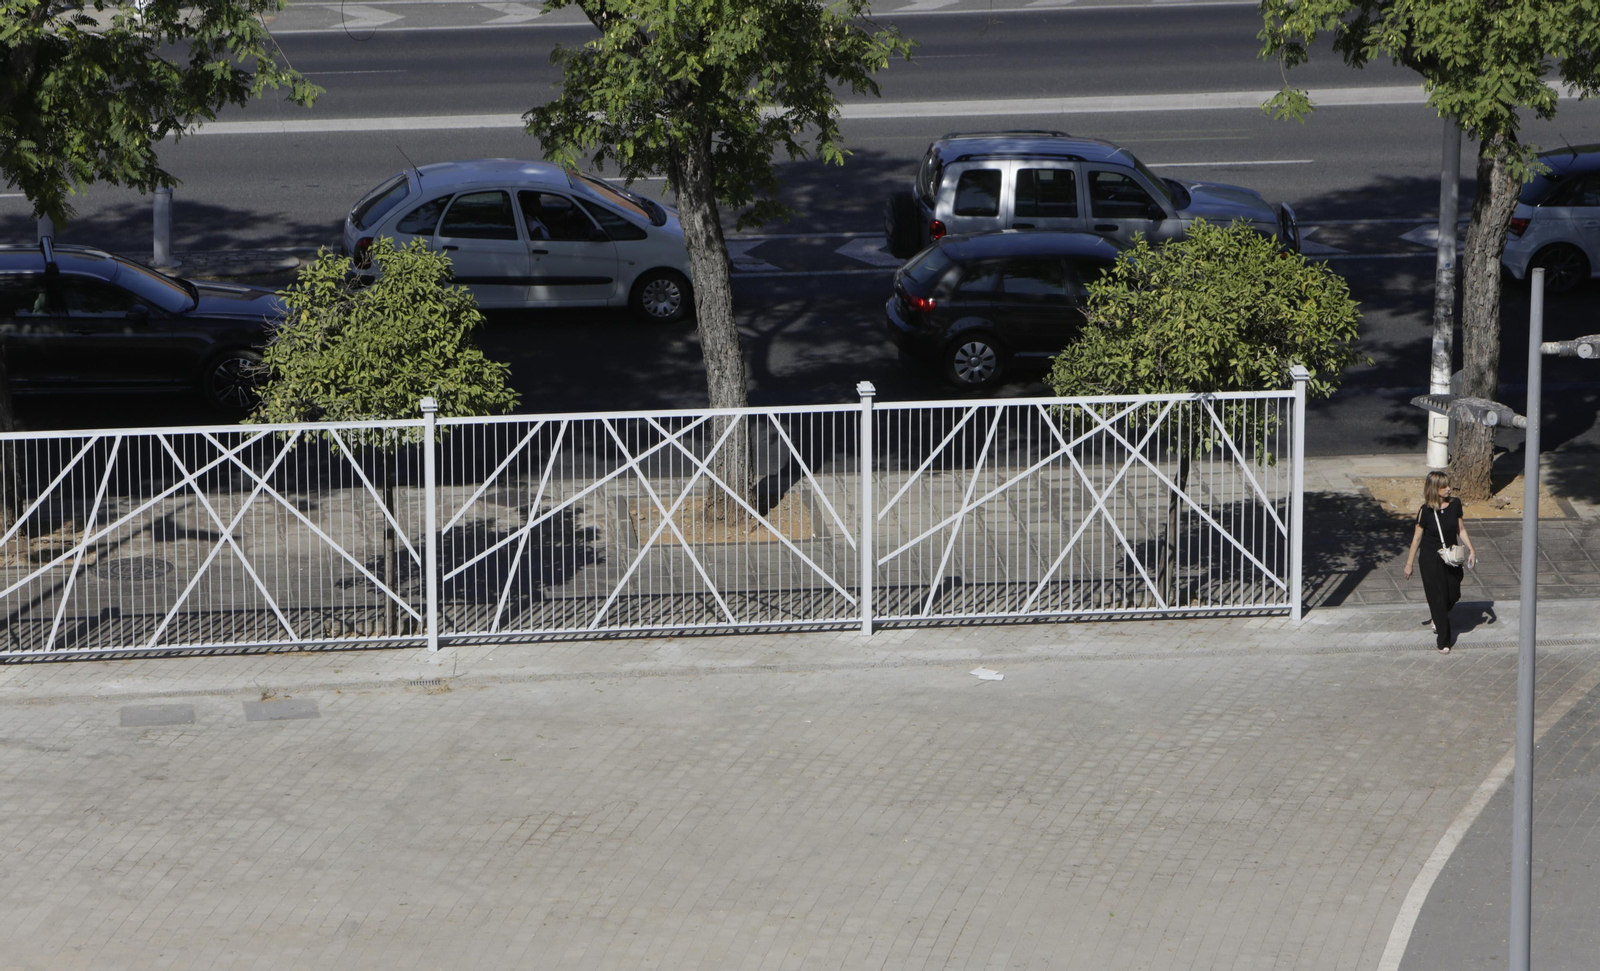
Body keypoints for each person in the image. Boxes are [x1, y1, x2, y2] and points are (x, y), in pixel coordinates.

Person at [1403, 470, 1477, 653]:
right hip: (1431, 559)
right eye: (1444, 487)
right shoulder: (1426, 511)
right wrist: (1409, 564)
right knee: (1437, 598)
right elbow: (1416, 539)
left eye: (1448, 485)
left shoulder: (1455, 504)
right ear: (1434, 489)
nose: (1448, 489)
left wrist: (1471, 549)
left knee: (1454, 593)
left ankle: (1437, 616)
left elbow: (1461, 529)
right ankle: (1444, 641)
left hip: (1451, 557)